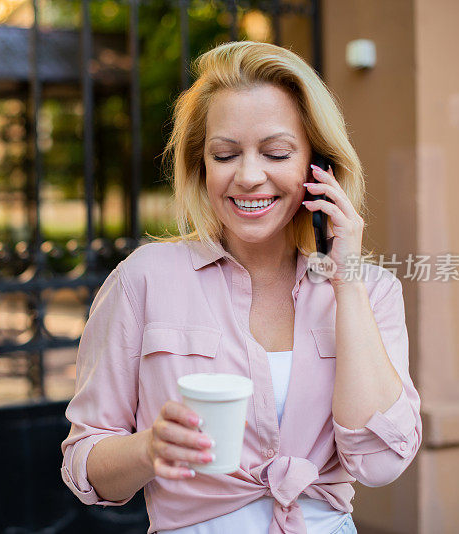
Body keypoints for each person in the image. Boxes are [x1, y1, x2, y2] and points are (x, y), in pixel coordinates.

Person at [60, 40, 421, 534]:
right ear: (202, 165)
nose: (250, 177)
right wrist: (149, 448)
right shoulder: (143, 279)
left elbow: (380, 464)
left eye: (276, 152)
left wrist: (347, 280)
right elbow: (85, 463)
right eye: (225, 154)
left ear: (319, 166)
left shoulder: (369, 289)